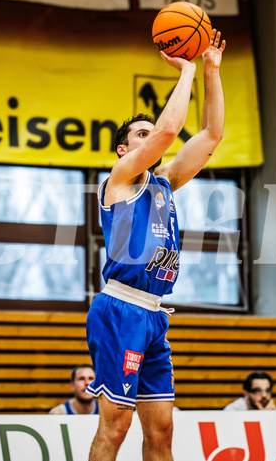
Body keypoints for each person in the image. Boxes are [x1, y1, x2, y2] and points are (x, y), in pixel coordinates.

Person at [85, 29, 226, 461]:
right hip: (121, 308)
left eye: (149, 133)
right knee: (116, 425)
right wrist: (184, 68)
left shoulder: (164, 182)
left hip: (153, 313)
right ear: (123, 149)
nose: (151, 137)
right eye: (139, 135)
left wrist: (210, 71)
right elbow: (169, 130)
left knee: (162, 430)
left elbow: (212, 134)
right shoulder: (120, 178)